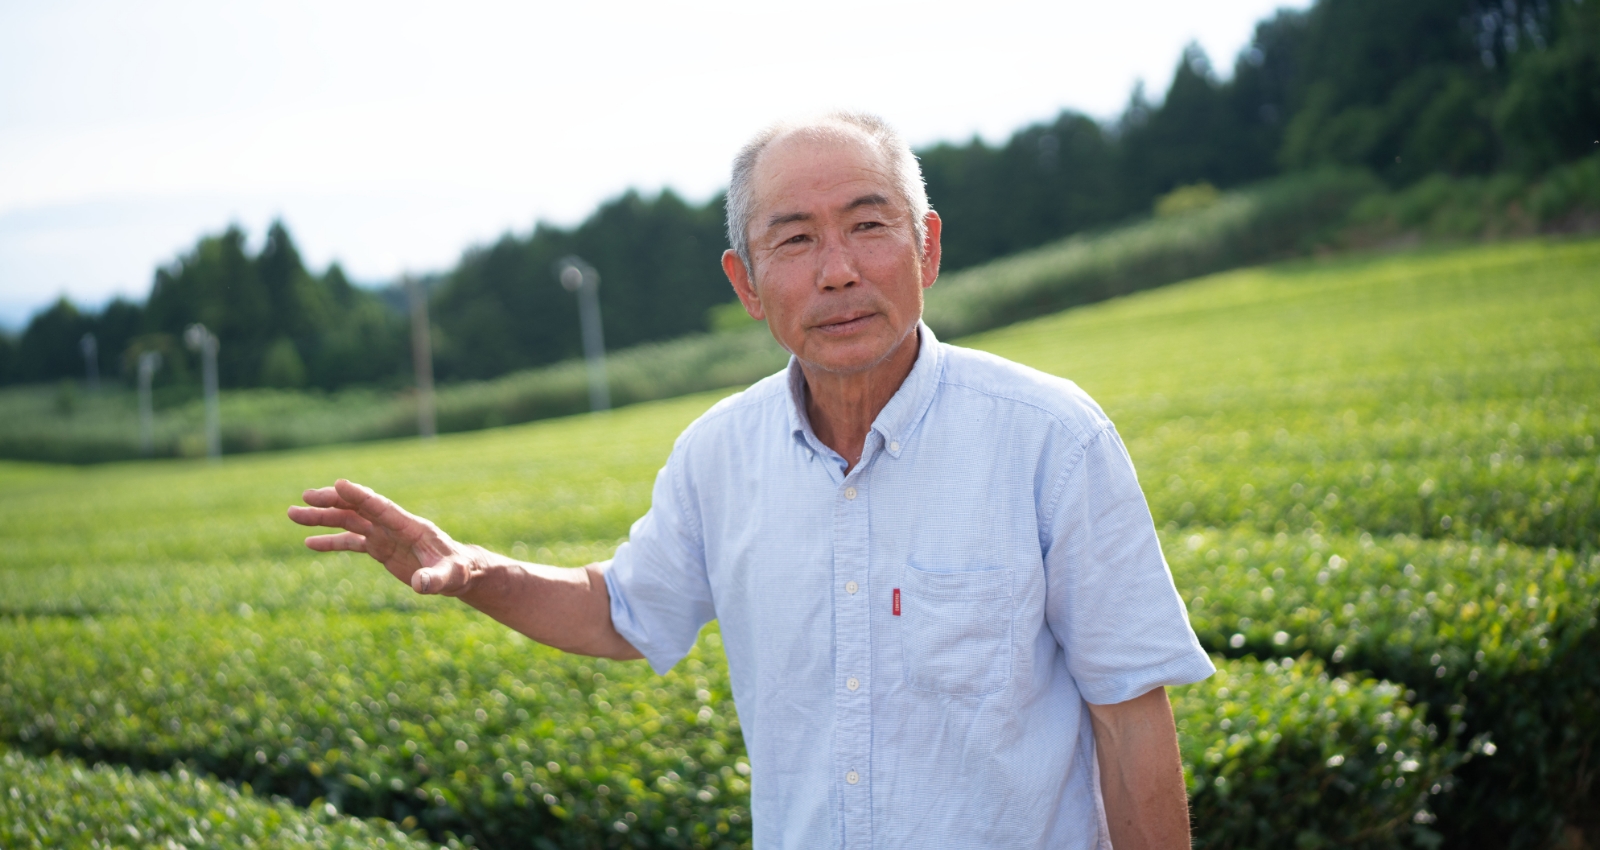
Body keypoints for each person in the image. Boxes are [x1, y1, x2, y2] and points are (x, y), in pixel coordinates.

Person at [288, 111, 1213, 849]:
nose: (839, 270)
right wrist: (477, 572)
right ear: (747, 283)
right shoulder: (717, 457)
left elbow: (1131, 718)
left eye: (867, 225)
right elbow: (622, 612)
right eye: (796, 240)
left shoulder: (1049, 438)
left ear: (926, 246)